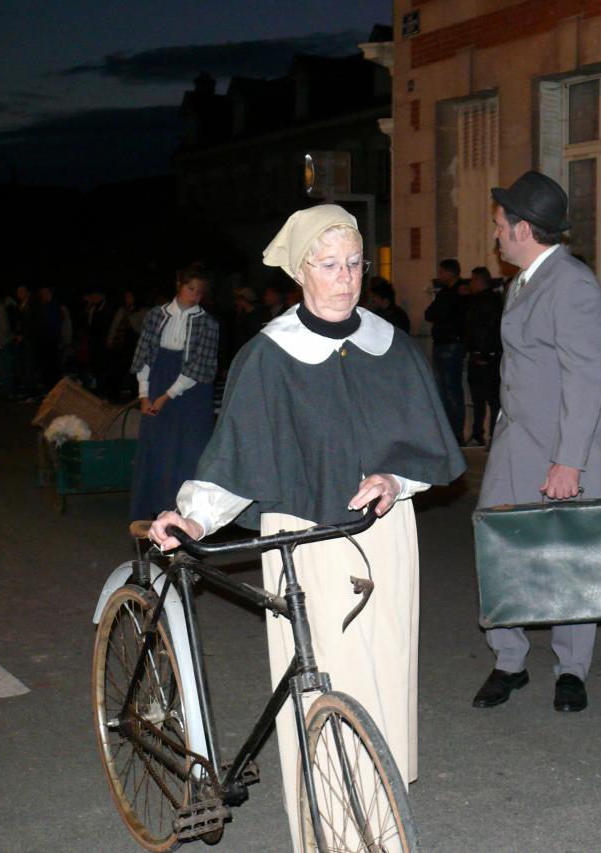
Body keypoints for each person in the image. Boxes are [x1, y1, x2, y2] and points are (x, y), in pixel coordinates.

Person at [146, 204, 464, 851]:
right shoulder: (269, 356)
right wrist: (195, 514)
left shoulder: (390, 344)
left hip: (385, 533)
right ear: (301, 271)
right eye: (328, 265)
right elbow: (236, 455)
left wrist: (395, 480)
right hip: (307, 539)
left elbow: (427, 447)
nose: (345, 277)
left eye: (352, 263)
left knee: (385, 669)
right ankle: (331, 830)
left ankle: (379, 803)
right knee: (329, 679)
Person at [471, 170, 601, 714]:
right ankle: (509, 661)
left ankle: (571, 670)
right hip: (516, 443)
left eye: (500, 226)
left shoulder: (573, 284)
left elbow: (585, 378)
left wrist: (569, 462)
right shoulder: (523, 281)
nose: (496, 235)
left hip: (559, 449)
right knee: (501, 552)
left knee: (569, 562)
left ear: (524, 228)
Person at [128, 264, 219, 520]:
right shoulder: (156, 316)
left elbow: (198, 367)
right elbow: (144, 356)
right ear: (179, 285)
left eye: (200, 292)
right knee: (156, 448)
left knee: (187, 451)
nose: (195, 295)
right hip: (158, 381)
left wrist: (167, 395)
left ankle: (187, 516)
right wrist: (144, 394)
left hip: (190, 392)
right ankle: (151, 511)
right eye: (191, 289)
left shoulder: (208, 324)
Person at [424, 257, 467, 443]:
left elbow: (435, 312)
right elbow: (429, 313)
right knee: (444, 389)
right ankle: (450, 431)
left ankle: (456, 433)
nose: (439, 276)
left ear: (450, 272)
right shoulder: (449, 292)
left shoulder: (455, 293)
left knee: (451, 390)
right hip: (444, 343)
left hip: (451, 344)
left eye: (442, 272)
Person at [463, 266, 503, 447]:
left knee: (492, 398)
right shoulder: (476, 301)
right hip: (476, 353)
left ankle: (493, 435)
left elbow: (492, 329)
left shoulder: (490, 301)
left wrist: (485, 353)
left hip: (487, 356)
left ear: (479, 281)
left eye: (472, 281)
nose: (470, 285)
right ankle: (478, 433)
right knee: (478, 399)